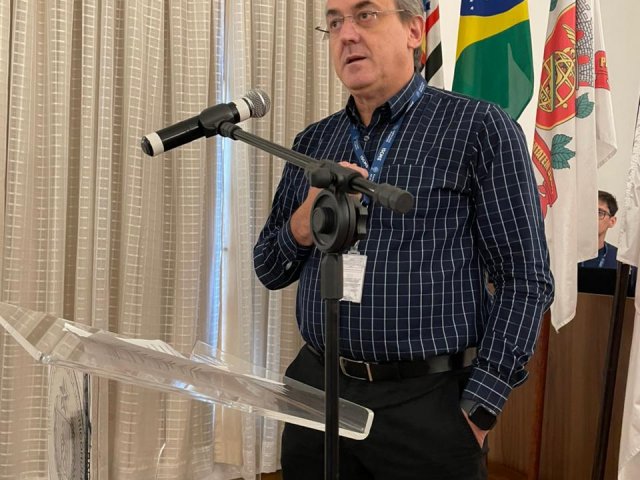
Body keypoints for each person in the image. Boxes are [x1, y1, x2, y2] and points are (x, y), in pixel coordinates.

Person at [253, 1, 554, 478]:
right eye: (334, 22)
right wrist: (303, 224)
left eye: (365, 15)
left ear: (415, 30)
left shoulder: (479, 129)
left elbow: (525, 279)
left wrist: (482, 405)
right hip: (317, 391)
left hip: (428, 406)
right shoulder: (313, 143)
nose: (346, 34)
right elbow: (269, 268)